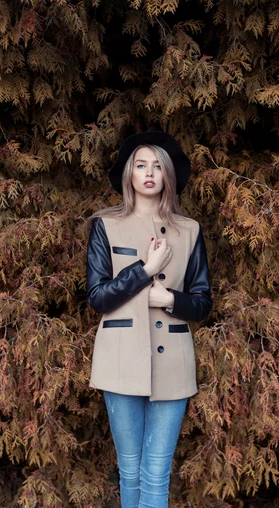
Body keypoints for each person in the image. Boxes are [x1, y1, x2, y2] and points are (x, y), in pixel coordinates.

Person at [86, 131, 212, 508]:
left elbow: (203, 303)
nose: (149, 173)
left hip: (173, 362)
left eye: (158, 165)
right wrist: (145, 271)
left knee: (156, 473)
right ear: (129, 174)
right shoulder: (105, 226)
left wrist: (168, 299)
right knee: (130, 469)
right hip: (120, 359)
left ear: (168, 174)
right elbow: (97, 298)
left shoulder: (189, 230)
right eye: (141, 165)